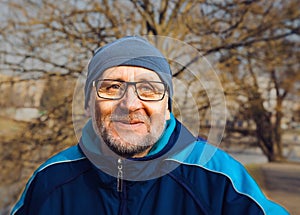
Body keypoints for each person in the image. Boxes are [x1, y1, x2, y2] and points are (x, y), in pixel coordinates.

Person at [11, 36, 288, 215]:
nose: (130, 104)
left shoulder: (220, 181)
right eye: (112, 87)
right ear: (88, 105)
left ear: (167, 109)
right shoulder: (50, 181)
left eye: (149, 89)